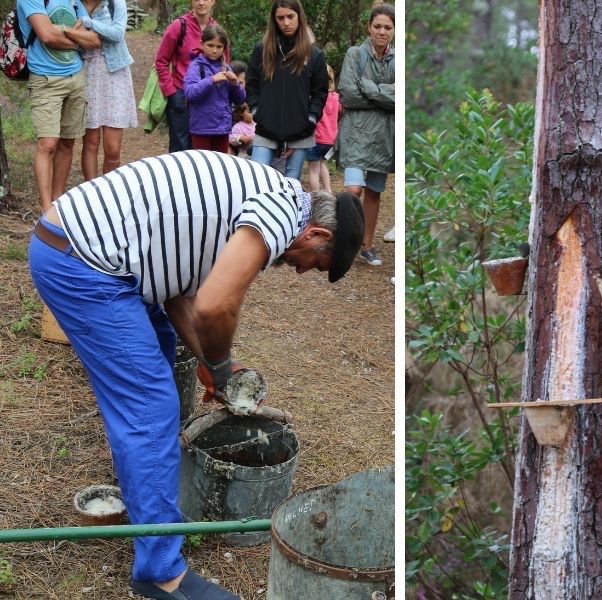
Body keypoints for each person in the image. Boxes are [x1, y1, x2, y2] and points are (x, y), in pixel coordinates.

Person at [28, 149, 364, 600]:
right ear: (317, 232)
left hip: (98, 256)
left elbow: (180, 292)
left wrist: (211, 366)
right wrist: (222, 365)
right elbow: (214, 305)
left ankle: (148, 498)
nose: (303, 269)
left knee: (160, 360)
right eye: (316, 262)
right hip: (84, 264)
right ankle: (160, 572)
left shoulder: (271, 193)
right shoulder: (279, 214)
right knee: (150, 407)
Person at [17, 0, 101, 211]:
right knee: (48, 144)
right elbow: (46, 35)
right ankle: (46, 209)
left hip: (76, 77)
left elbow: (94, 39)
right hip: (46, 79)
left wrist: (63, 29)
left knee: (67, 143)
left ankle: (57, 201)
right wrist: (77, 39)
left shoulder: (73, 1)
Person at [338, 2, 395, 267]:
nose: (382, 32)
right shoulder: (355, 54)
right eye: (377, 26)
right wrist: (384, 95)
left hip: (383, 136)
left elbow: (398, 97)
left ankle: (367, 245)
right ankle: (344, 241)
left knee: (373, 192)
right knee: (353, 189)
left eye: (387, 27)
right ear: (369, 28)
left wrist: (370, 89)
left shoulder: (397, 59)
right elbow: (348, 94)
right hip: (356, 134)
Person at [245, 0, 327, 180]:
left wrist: (311, 118)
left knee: (291, 183)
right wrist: (258, 111)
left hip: (301, 131)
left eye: (290, 17)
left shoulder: (315, 55)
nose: (286, 22)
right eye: (280, 18)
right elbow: (251, 85)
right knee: (257, 178)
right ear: (274, 20)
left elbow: (320, 92)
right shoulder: (262, 50)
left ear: (299, 17)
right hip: (266, 129)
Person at [154, 0, 227, 153]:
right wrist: (171, 92)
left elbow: (224, 62)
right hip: (181, 96)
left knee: (203, 152)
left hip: (208, 99)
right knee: (180, 149)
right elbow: (161, 61)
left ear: (213, 1)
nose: (201, 3)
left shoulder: (217, 30)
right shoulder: (179, 26)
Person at [78, 0, 138, 179]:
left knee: (113, 149)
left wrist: (87, 23)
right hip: (85, 72)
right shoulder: (73, 4)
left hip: (115, 73)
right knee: (91, 142)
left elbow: (117, 33)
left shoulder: (115, 3)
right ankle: (91, 192)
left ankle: (107, 194)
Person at [183, 24, 244, 153]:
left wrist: (235, 84)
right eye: (210, 45)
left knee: (219, 166)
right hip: (201, 128)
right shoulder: (196, 66)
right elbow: (190, 93)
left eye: (219, 47)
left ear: (224, 48)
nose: (214, 50)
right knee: (203, 165)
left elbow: (240, 99)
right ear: (202, 43)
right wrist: (211, 80)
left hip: (222, 127)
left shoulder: (226, 67)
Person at [306, 64, 340, 192]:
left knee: (313, 170)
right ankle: (328, 190)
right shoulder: (336, 97)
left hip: (317, 139)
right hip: (331, 140)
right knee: (322, 164)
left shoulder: (315, 98)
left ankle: (315, 196)